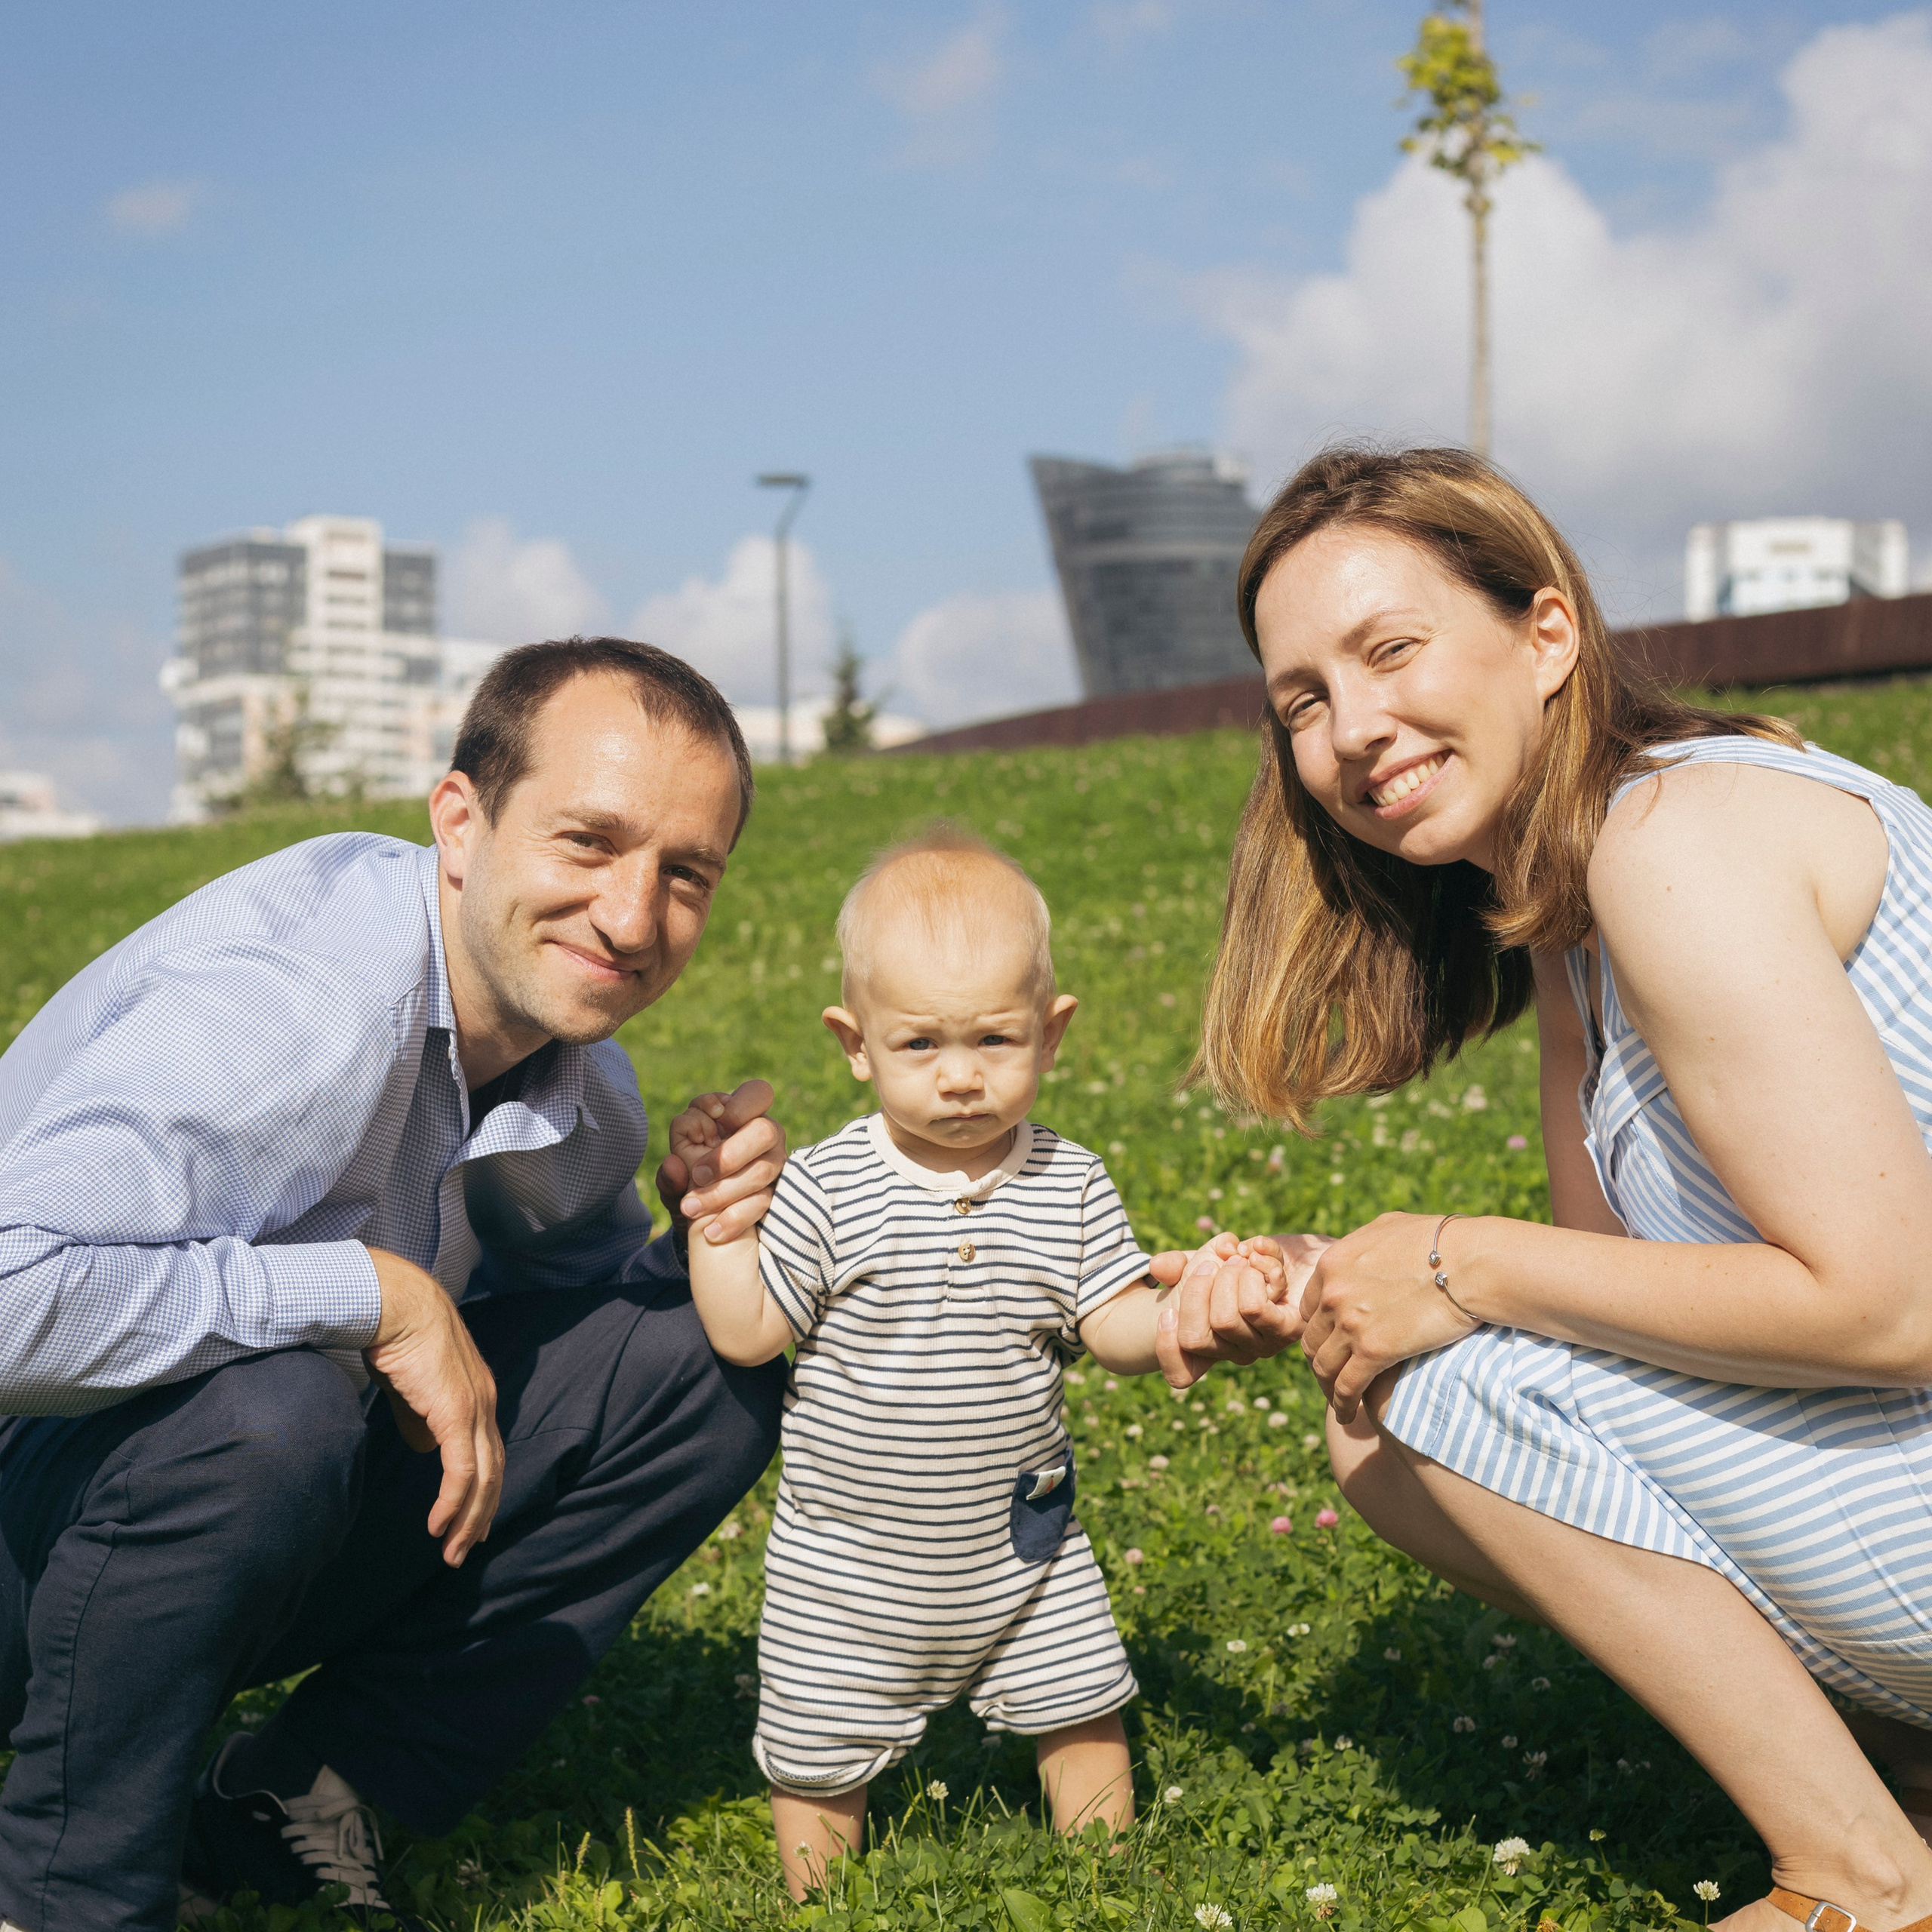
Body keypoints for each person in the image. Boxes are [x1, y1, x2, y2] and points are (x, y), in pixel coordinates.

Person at [1194, 445, 1932, 1932]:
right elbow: (1606, 1304)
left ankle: (1863, 1881)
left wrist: (1454, 1262)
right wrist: (1341, 1276)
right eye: (1302, 700)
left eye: (1387, 649)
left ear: (1545, 635)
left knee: (1442, 1390)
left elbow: (1889, 1304)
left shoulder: (1676, 843)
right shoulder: (1575, 912)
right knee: (1392, 1389)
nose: (1348, 728)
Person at [0, 638, 791, 1932]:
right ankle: (63, 1894)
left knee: (697, 1365)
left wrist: (702, 1235)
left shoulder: (583, 1096)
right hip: (26, 1504)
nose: (634, 918)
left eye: (685, 872)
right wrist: (367, 1293)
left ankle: (294, 1803)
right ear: (460, 821)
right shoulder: (295, 1015)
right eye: (588, 843)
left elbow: (574, 1354)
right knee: (280, 1408)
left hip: (181, 1526)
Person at [672, 826, 1299, 1900]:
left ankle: (1107, 1884)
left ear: (1051, 1035)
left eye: (995, 1042)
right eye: (920, 1046)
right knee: (819, 1749)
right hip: (849, 1565)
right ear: (854, 1043)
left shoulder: (1069, 1181)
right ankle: (818, 1902)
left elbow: (1110, 1325)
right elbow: (749, 1334)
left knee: (1083, 1705)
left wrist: (1188, 1313)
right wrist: (715, 1228)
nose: (960, 1078)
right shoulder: (826, 1187)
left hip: (1026, 1549)